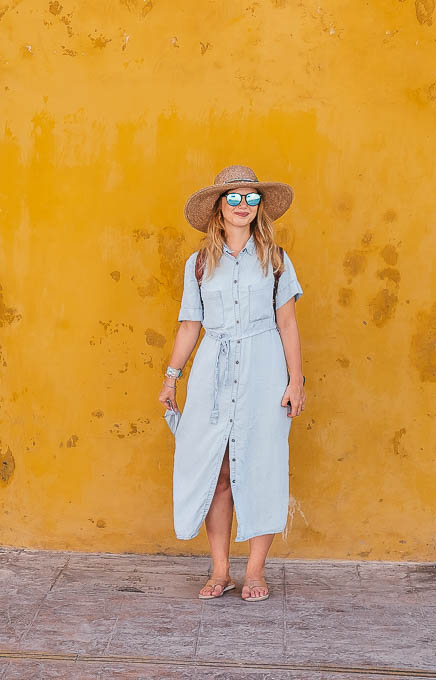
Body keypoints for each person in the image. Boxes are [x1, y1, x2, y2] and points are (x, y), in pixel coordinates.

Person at [158, 164, 306, 602]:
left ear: (260, 208)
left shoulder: (275, 260)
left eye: (252, 198)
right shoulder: (200, 263)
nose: (244, 206)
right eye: (234, 198)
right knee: (217, 469)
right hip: (213, 370)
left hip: (264, 367)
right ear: (218, 209)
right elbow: (189, 325)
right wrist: (171, 378)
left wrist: (295, 380)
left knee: (262, 466)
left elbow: (288, 323)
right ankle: (220, 569)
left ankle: (256, 572)